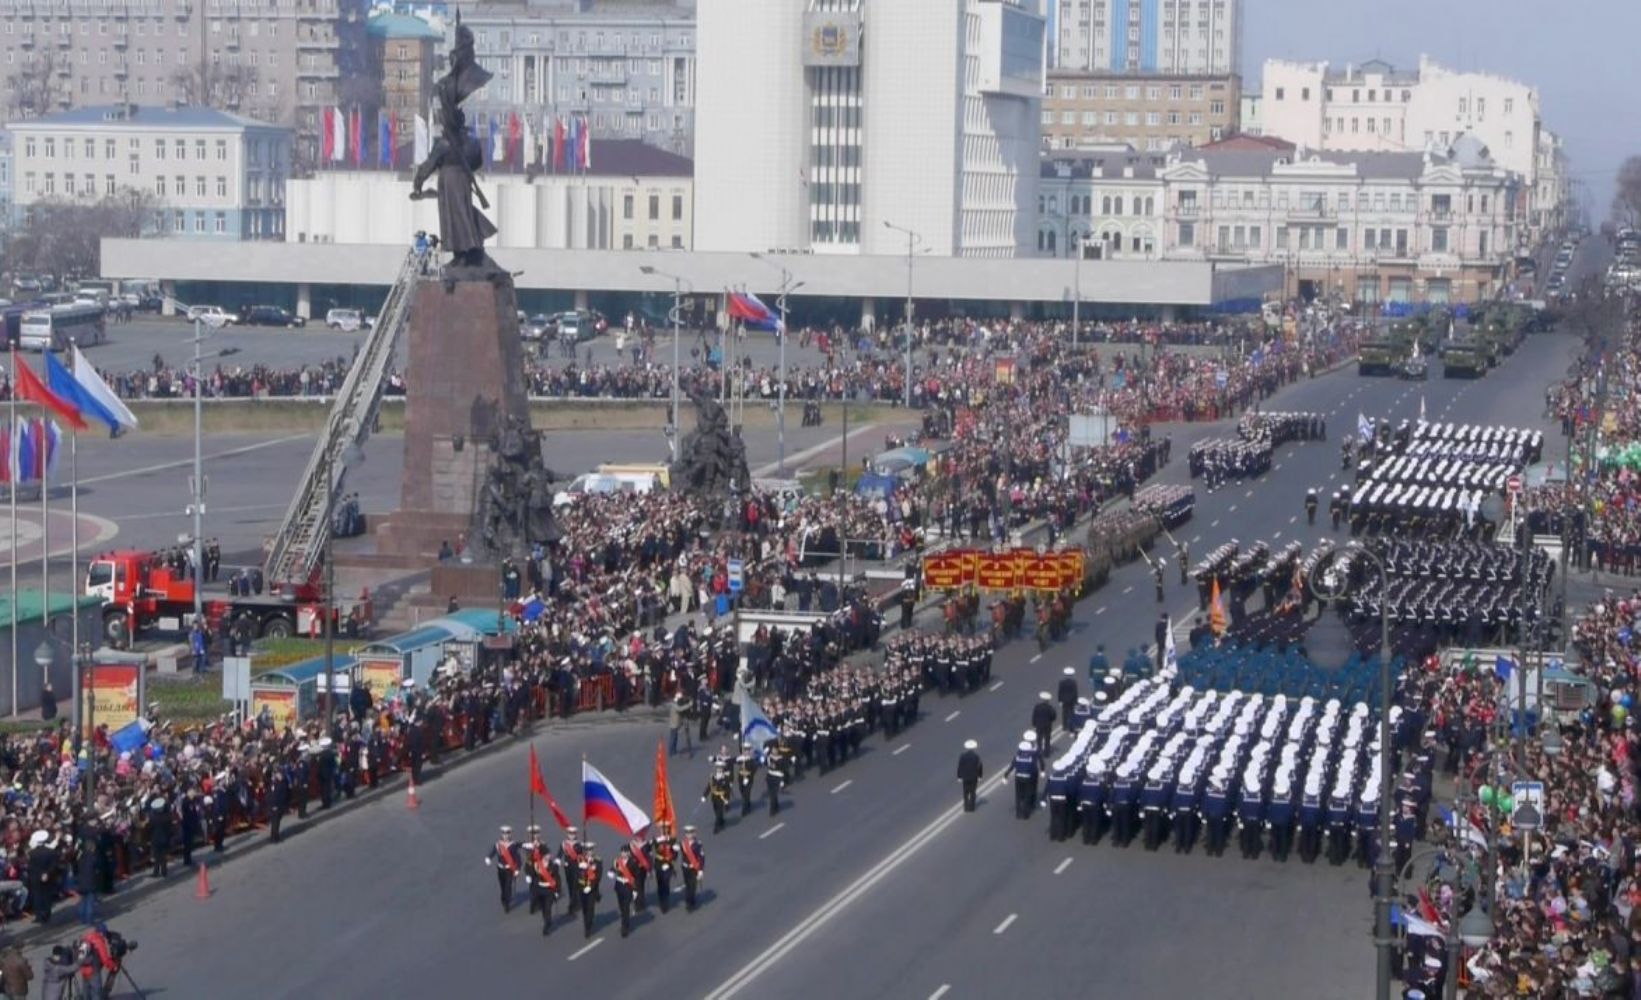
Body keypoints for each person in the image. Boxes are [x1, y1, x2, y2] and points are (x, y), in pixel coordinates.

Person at [523, 826, 562, 935]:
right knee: (542, 906)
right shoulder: (536, 863)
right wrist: (528, 874)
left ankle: (547, 924)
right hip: (539, 886)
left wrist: (557, 891)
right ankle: (540, 912)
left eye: (549, 854)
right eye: (547, 854)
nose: (549, 856)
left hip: (548, 889)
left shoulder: (552, 865)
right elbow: (528, 864)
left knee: (548, 907)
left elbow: (557, 878)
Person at [484, 825, 520, 913]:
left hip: (509, 869)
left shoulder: (513, 845)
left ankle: (507, 904)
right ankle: (504, 899)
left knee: (508, 886)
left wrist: (517, 869)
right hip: (500, 869)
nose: (505, 835)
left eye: (507, 833)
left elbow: (518, 858)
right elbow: (493, 852)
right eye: (504, 833)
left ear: (510, 834)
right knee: (503, 886)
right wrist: (488, 858)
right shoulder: (498, 845)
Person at [649, 820, 678, 913]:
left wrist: (675, 852)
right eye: (662, 828)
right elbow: (648, 849)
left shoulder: (672, 840)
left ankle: (665, 903)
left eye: (666, 828)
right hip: (658, 864)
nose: (664, 830)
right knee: (660, 884)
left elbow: (675, 856)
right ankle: (662, 899)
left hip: (668, 865)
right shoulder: (656, 840)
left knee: (666, 883)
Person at [610, 843, 639, 938]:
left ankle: (624, 927)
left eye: (625, 852)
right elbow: (612, 870)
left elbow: (636, 876)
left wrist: (635, 890)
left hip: (628, 886)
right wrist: (611, 873)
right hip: (619, 886)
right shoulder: (617, 861)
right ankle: (625, 920)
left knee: (626, 907)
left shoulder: (633, 862)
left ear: (628, 853)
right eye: (622, 852)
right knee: (621, 906)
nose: (623, 854)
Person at [577, 842, 603, 938]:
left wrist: (591, 886)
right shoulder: (580, 859)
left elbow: (598, 876)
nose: (589, 852)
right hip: (581, 887)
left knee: (590, 908)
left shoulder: (597, 861)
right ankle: (587, 923)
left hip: (592, 889)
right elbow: (576, 873)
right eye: (587, 850)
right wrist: (581, 867)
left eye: (591, 850)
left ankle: (588, 927)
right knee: (584, 908)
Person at [680, 825, 705, 912]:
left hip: (693, 868)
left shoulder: (698, 844)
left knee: (692, 885)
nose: (689, 835)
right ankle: (690, 900)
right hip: (685, 867)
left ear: (694, 833)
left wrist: (700, 870)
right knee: (687, 885)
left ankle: (689, 902)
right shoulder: (682, 843)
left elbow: (701, 857)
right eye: (687, 833)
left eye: (691, 833)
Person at [957, 739, 982, 812]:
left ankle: (966, 807)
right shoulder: (976, 756)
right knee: (973, 792)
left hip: (965, 777)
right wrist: (980, 775)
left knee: (965, 792)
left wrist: (959, 776)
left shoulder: (962, 756)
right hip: (974, 776)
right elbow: (979, 766)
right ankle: (971, 807)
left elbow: (960, 766)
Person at [1056, 667, 1078, 734]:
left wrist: (1059, 700)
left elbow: (1060, 692)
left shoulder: (1062, 682)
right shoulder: (1073, 683)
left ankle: (1064, 727)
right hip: (1071, 701)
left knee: (1064, 714)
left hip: (1064, 700)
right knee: (1071, 714)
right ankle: (1071, 728)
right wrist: (1076, 701)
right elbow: (1075, 692)